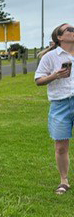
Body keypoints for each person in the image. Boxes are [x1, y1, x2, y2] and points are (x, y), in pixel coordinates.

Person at [35, 22, 74, 195]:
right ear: (59, 37)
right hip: (60, 105)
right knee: (61, 146)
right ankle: (64, 181)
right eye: (69, 30)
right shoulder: (50, 57)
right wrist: (55, 75)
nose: (73, 32)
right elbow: (38, 80)